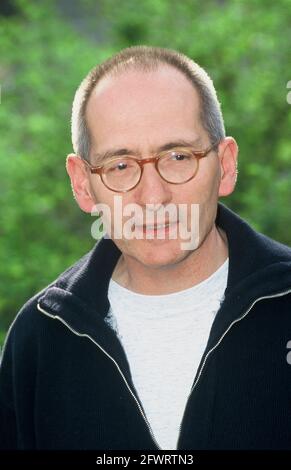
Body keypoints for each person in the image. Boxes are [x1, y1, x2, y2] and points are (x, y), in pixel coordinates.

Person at [0, 45, 291, 451]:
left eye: (177, 156)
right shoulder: (39, 338)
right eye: (120, 165)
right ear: (82, 184)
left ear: (225, 165)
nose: (153, 198)